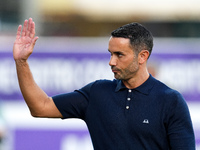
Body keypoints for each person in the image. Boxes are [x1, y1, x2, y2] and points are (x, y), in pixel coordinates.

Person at [13, 18, 195, 150]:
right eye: (110, 53)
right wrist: (21, 62)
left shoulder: (171, 101)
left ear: (143, 56)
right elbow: (41, 107)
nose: (111, 62)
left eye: (119, 55)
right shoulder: (97, 93)